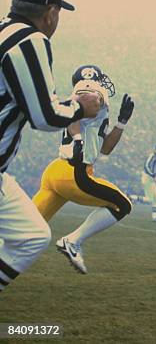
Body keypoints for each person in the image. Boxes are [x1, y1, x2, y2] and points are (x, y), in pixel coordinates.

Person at [0, 0, 100, 291]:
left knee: (32, 234)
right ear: (51, 12)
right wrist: (82, 108)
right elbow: (44, 116)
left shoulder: (4, 31)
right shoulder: (30, 40)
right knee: (31, 236)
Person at [32, 65, 135, 274]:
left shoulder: (96, 113)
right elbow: (81, 98)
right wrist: (78, 139)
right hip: (75, 172)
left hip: (56, 171)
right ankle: (72, 241)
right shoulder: (89, 90)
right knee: (122, 205)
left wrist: (121, 123)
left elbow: (105, 148)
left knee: (27, 229)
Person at [143, 144, 156, 221]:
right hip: (147, 178)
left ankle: (155, 217)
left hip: (150, 179)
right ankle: (131, 197)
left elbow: (154, 169)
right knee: (150, 199)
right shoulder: (152, 156)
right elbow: (146, 166)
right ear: (155, 150)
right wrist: (154, 176)